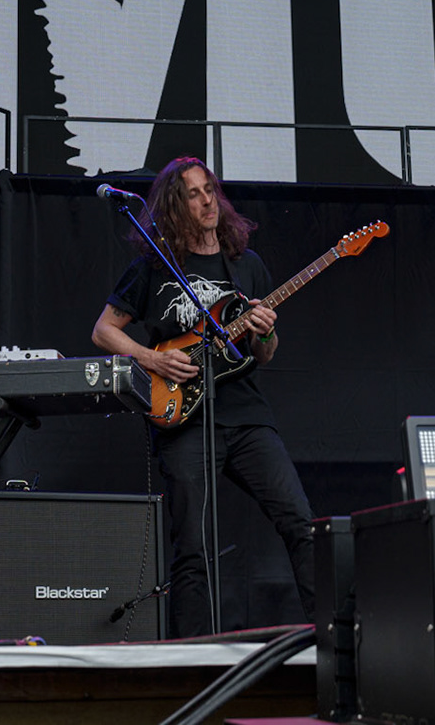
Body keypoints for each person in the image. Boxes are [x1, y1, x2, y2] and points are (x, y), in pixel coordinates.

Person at [90, 156, 315, 636]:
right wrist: (151, 360)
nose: (207, 200)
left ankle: (334, 638)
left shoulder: (247, 265)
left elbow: (263, 354)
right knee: (191, 545)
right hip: (183, 419)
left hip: (246, 415)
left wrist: (266, 331)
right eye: (193, 194)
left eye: (209, 189)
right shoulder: (154, 267)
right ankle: (190, 657)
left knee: (301, 522)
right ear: (175, 206)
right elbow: (103, 330)